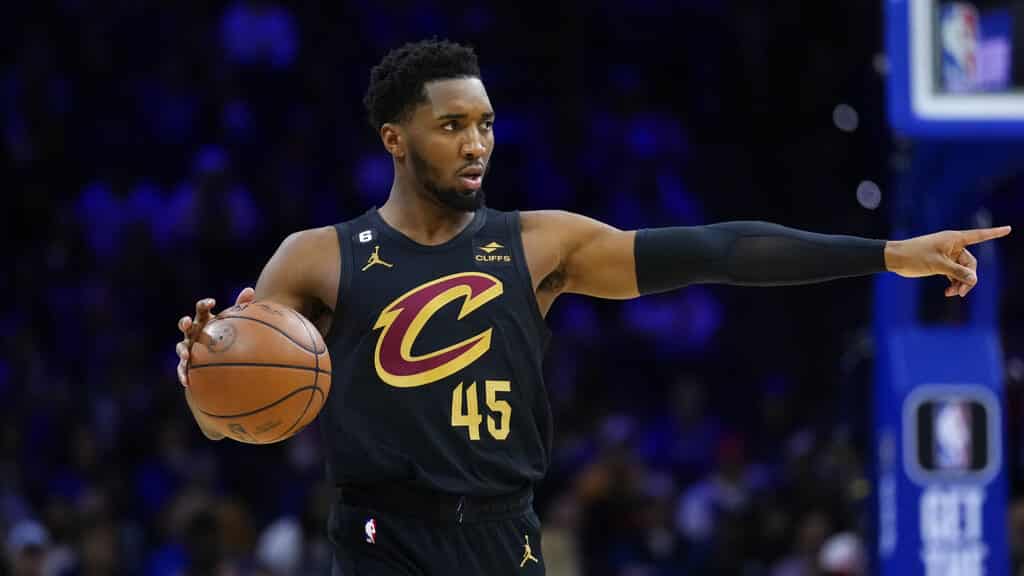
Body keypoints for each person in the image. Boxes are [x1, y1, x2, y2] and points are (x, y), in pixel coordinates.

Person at [174, 39, 1011, 575]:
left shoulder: (541, 243)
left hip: (504, 535)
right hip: (378, 538)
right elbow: (229, 421)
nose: (475, 144)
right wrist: (202, 372)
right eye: (452, 125)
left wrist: (886, 254)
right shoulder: (316, 256)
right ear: (395, 138)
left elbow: (718, 250)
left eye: (486, 124)